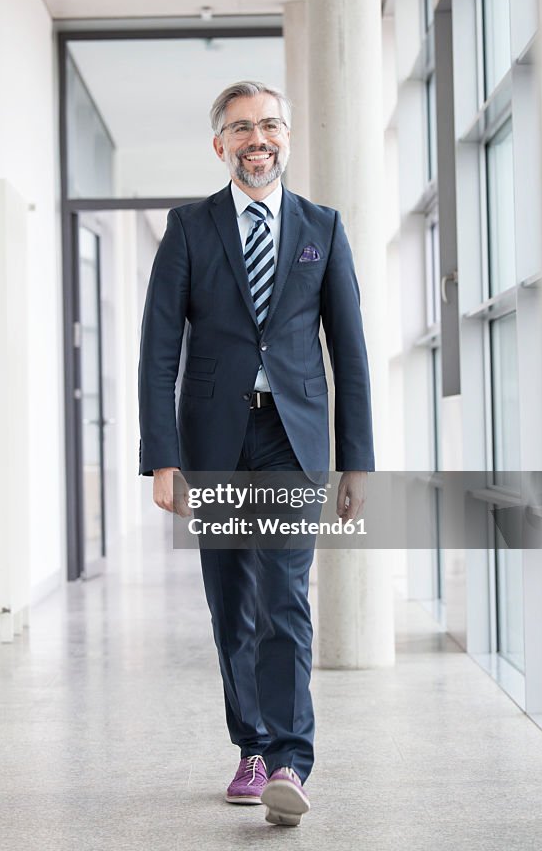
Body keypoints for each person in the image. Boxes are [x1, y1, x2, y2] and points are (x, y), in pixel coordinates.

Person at [138, 80, 374, 827]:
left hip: (291, 436)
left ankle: (290, 760)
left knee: (284, 595)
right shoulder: (189, 228)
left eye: (269, 125)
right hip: (213, 440)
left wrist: (356, 458)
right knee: (232, 604)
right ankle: (250, 745)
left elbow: (351, 350)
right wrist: (163, 457)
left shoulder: (322, 227)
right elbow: (157, 351)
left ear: (288, 137)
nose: (257, 139)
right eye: (241, 129)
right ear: (220, 146)